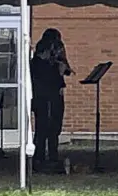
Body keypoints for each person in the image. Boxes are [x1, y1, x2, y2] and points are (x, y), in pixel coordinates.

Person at [31, 28, 74, 169]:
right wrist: (58, 70)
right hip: (44, 96)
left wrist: (62, 67)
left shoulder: (52, 60)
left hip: (53, 95)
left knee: (53, 127)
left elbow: (65, 71)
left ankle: (51, 156)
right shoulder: (37, 62)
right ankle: (40, 157)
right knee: (43, 126)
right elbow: (45, 77)